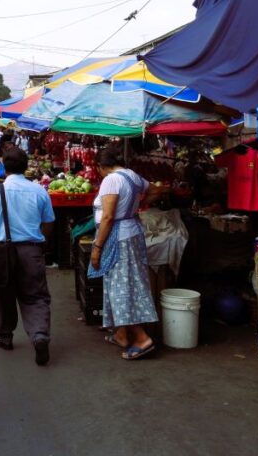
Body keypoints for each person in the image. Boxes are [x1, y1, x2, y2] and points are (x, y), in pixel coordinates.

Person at [0, 147, 54, 365]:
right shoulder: (39, 191)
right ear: (26, 165)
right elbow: (48, 223)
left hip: (2, 253)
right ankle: (39, 336)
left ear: (4, 166)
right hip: (31, 250)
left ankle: (5, 337)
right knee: (35, 296)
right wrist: (40, 242)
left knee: (3, 296)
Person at [88, 147, 158, 360]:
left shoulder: (111, 179)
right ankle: (121, 333)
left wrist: (97, 248)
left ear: (101, 166)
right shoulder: (132, 175)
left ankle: (141, 338)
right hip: (133, 232)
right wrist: (139, 206)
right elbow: (155, 189)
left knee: (123, 286)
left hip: (118, 237)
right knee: (127, 283)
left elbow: (108, 217)